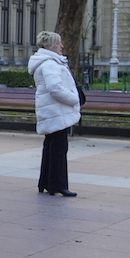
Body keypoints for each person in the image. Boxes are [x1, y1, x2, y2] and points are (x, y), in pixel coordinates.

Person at [28, 31, 81, 197]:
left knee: (51, 147)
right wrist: (74, 99)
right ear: (50, 45)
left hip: (52, 111)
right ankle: (57, 185)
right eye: (58, 43)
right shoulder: (50, 63)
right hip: (57, 111)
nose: (62, 46)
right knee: (58, 148)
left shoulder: (46, 62)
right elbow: (55, 88)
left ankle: (45, 183)